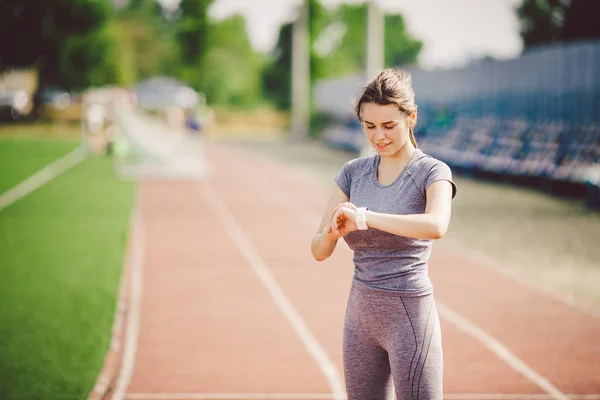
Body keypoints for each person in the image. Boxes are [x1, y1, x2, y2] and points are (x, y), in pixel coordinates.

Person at [311, 68, 457, 400]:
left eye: (389, 126)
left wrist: (364, 218)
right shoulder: (352, 173)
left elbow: (436, 225)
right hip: (360, 317)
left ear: (412, 117)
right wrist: (332, 233)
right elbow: (318, 249)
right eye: (369, 126)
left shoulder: (432, 171)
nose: (379, 136)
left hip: (410, 316)